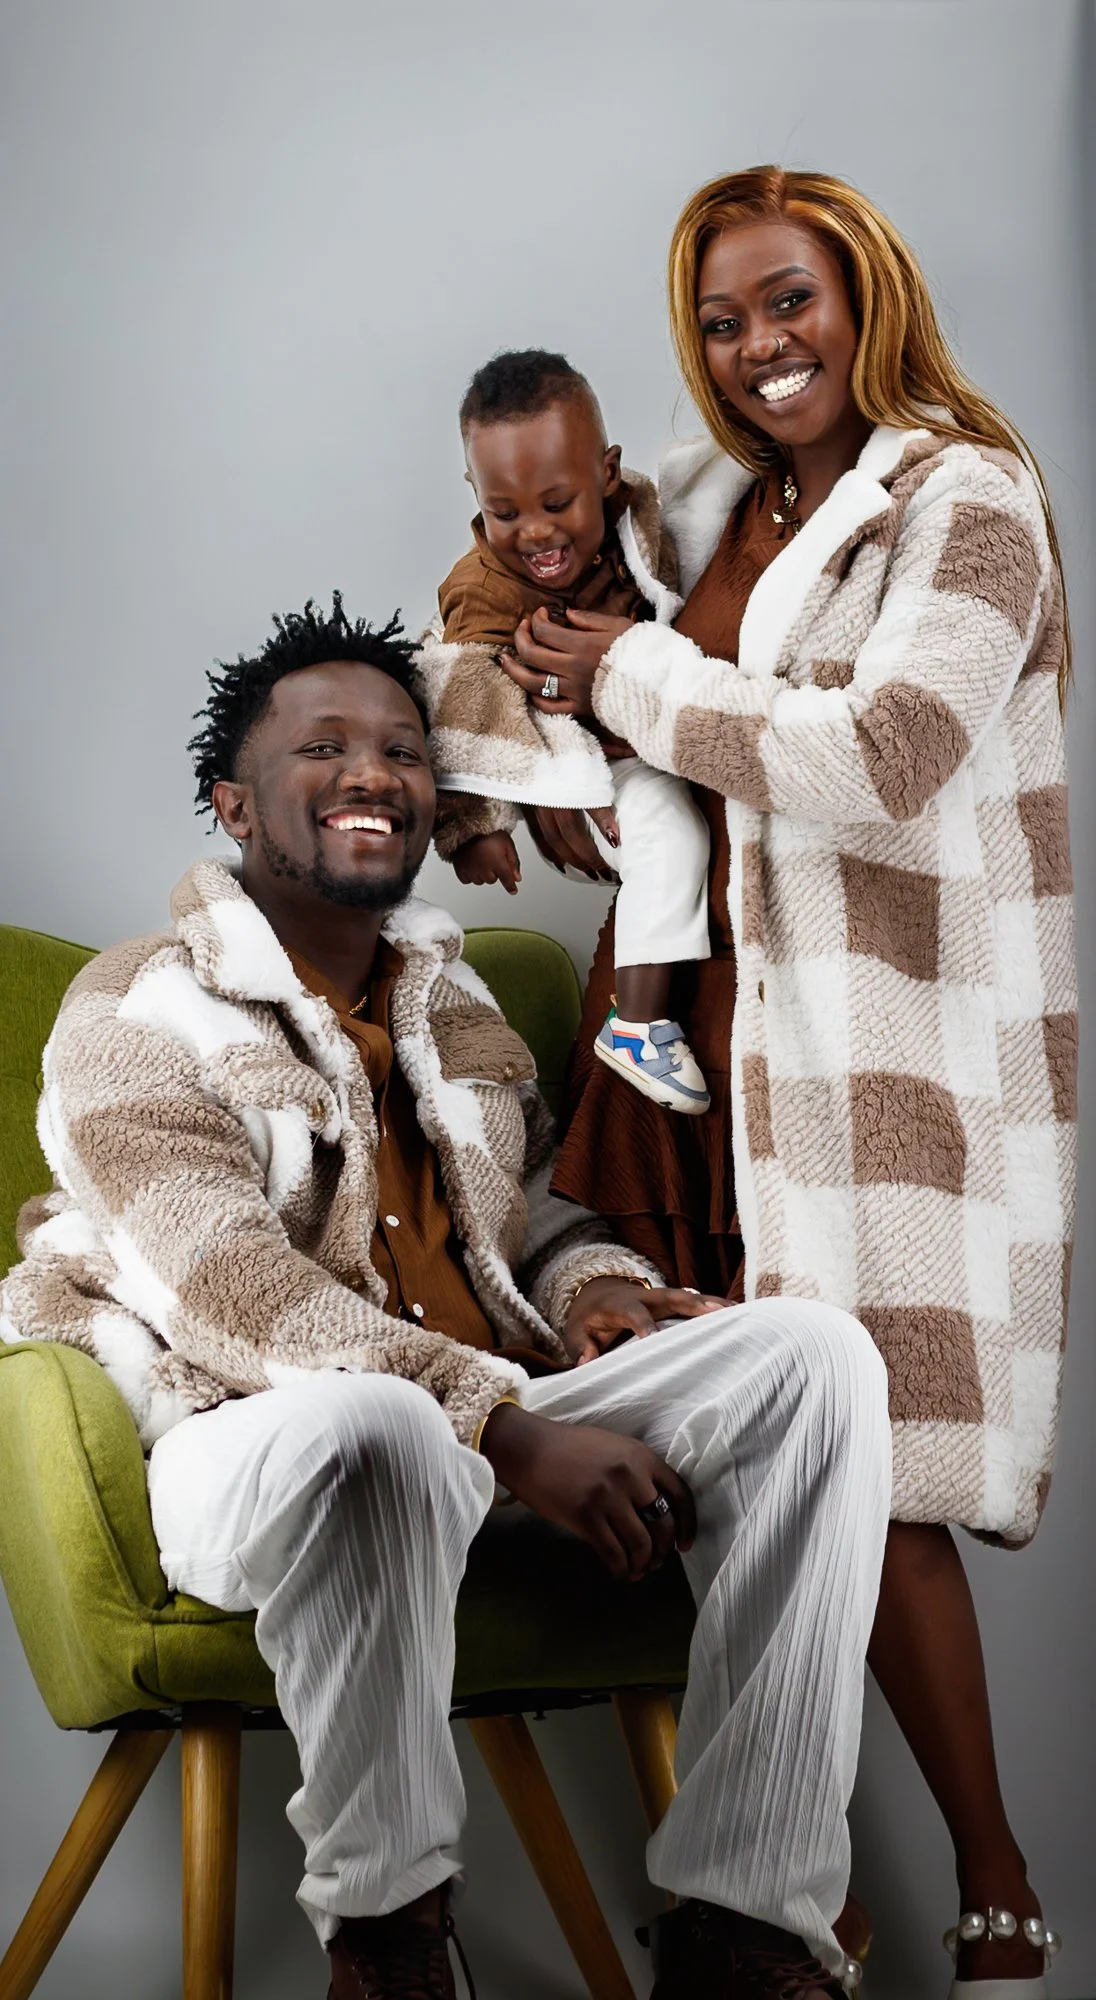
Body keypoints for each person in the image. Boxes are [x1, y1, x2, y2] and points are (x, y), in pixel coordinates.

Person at [0, 594, 893, 1999]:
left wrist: (597, 1292)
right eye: (323, 750)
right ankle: (392, 1935)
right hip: (252, 1436)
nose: (374, 774)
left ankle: (746, 1919)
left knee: (811, 1356)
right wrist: (506, 1427)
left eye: (405, 752)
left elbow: (531, 1218)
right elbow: (225, 1284)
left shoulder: (454, 1001)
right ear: (233, 804)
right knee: (382, 1423)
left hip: (485, 1418)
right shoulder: (134, 1010)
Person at [499, 167, 1076, 1997]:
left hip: (867, 1043)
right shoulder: (711, 501)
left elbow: (891, 753)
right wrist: (547, 779)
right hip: (694, 1026)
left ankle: (994, 1884)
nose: (760, 349)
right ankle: (784, 1886)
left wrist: (640, 689)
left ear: (866, 293)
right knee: (732, 1444)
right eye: (726, 320)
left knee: (879, 1471)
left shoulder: (967, 500)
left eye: (789, 302)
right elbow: (600, 662)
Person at [415, 347, 711, 1113]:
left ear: (607, 475)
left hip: (659, 727)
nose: (535, 533)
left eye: (558, 503)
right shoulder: (480, 591)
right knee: (669, 834)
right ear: (476, 493)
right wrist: (475, 827)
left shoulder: (637, 527)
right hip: (570, 767)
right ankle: (639, 1025)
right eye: (505, 512)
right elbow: (460, 708)